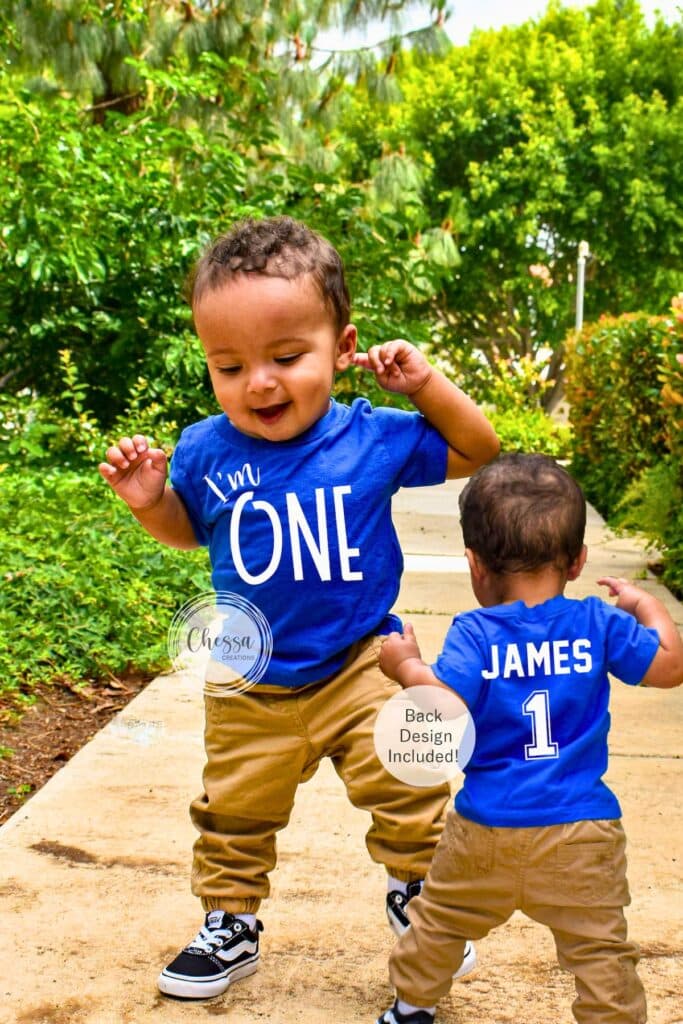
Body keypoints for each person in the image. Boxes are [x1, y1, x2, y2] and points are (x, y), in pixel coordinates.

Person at [98, 216, 499, 1000]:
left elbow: (476, 448)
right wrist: (150, 503)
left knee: (410, 779)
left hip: (361, 659)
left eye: (285, 358)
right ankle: (230, 921)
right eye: (229, 365)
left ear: (342, 348)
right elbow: (191, 531)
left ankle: (422, 897)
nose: (258, 382)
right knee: (233, 809)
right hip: (251, 677)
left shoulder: (372, 437)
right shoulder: (203, 449)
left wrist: (424, 386)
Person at [375, 452, 683, 1024]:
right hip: (582, 832)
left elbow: (443, 704)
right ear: (577, 562)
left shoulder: (475, 633)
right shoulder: (598, 624)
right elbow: (670, 665)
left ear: (475, 565)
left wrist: (407, 665)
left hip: (485, 827)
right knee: (601, 950)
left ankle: (411, 1008)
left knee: (438, 923)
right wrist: (646, 605)